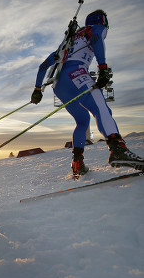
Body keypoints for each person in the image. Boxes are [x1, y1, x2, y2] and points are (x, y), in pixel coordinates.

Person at [31, 10, 144, 177]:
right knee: (102, 108)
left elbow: (43, 66)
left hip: (59, 85)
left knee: (83, 120)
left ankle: (77, 162)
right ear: (102, 21)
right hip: (76, 73)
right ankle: (117, 148)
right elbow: (98, 39)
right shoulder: (93, 29)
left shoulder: (67, 41)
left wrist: (37, 90)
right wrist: (103, 68)